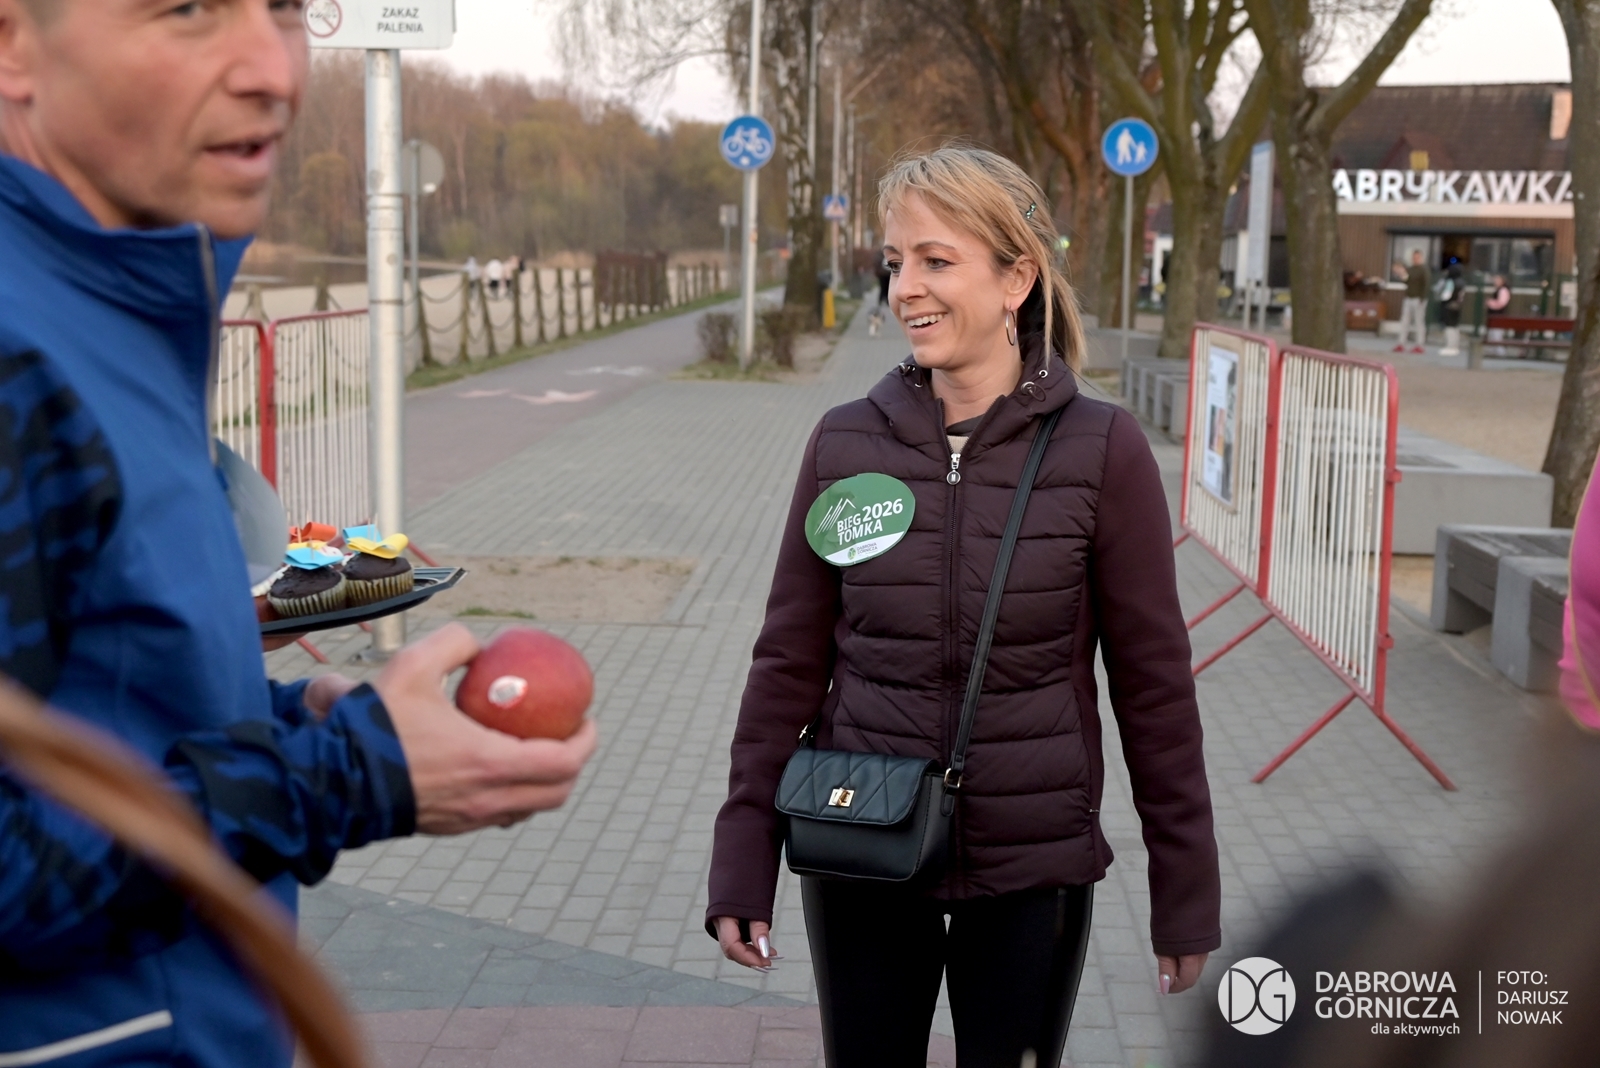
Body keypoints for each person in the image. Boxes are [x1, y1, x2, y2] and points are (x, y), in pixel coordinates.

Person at [0, 2, 597, 1065]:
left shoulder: (112, 305)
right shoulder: (16, 350)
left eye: (284, 9)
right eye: (188, 9)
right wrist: (339, 777)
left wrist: (293, 724)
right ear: (13, 44)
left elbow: (90, 710)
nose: (272, 70)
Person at [706, 146, 1220, 1067]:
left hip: (1033, 860)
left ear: (1016, 278)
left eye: (936, 261)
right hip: (861, 841)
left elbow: (1153, 687)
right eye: (896, 260)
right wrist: (743, 853)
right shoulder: (844, 443)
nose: (906, 287)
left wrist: (1184, 888)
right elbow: (786, 662)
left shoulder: (1103, 451)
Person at [1395, 249, 1428, 353]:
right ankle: (1401, 343)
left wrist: (1423, 298)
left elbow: (1426, 284)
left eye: (1417, 257)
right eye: (1414, 257)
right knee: (1405, 321)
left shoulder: (1423, 270)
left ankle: (1419, 344)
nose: (1415, 259)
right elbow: (1407, 281)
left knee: (1419, 322)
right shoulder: (1410, 269)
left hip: (1418, 298)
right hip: (1408, 297)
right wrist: (1402, 274)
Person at [1437, 261, 1465, 357]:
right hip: (1458, 305)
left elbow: (1446, 294)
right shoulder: (1462, 282)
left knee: (1449, 326)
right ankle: (1455, 346)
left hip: (1449, 305)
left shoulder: (1450, 281)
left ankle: (1450, 346)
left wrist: (1441, 299)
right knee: (1455, 326)